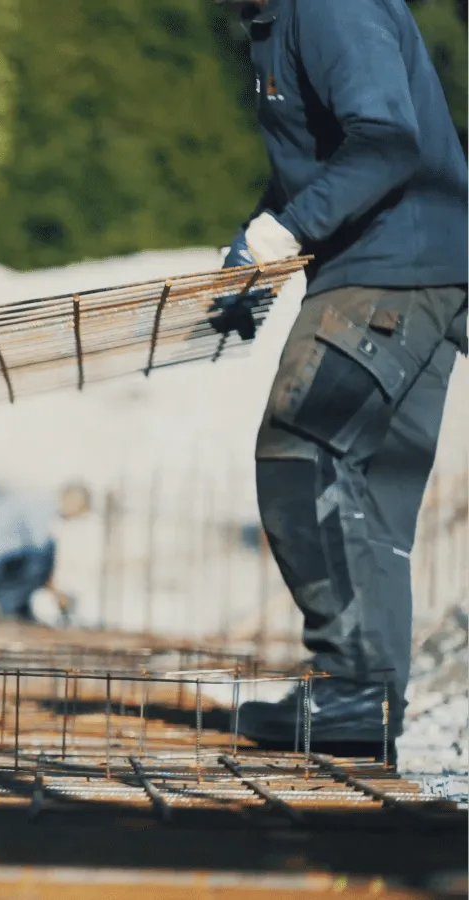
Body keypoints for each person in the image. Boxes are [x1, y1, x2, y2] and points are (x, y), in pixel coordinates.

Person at [209, 0, 467, 753]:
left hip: (392, 270)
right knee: (366, 504)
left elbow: (387, 141)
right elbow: (322, 163)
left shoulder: (329, 5)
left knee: (302, 454)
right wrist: (255, 249)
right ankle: (365, 705)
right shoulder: (275, 22)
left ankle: (354, 692)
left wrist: (291, 230)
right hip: (414, 270)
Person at [0, 483, 91, 626]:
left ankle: (11, 606)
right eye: (79, 510)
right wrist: (58, 595)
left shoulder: (33, 501)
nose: (73, 518)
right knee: (45, 554)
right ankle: (12, 610)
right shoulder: (44, 507)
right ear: (72, 499)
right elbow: (38, 556)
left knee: (39, 556)